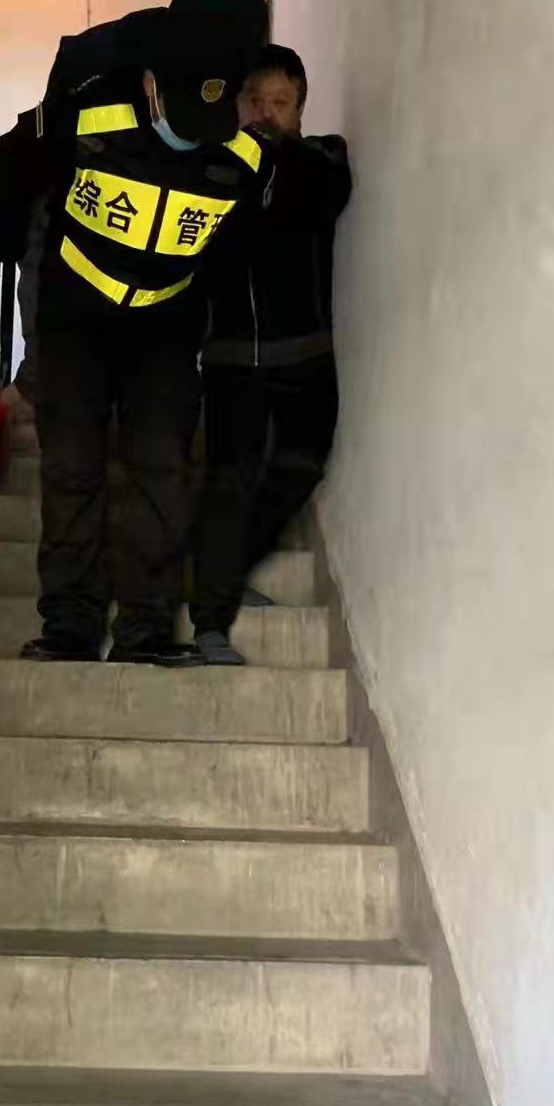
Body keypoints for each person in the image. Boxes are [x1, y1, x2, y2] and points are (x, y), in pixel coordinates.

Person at [0, 0, 273, 665]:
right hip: (74, 314)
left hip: (167, 325)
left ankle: (145, 631)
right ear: (150, 81)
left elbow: (232, 253)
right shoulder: (85, 107)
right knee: (74, 466)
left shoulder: (246, 156)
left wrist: (212, 328)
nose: (192, 133)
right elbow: (9, 177)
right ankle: (71, 626)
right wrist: (16, 252)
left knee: (161, 472)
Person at [191, 44, 351, 664]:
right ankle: (210, 621)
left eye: (279, 102)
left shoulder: (320, 160)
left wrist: (273, 150)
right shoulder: (215, 167)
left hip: (306, 355)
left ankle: (224, 571)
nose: (264, 112)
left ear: (299, 112)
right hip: (231, 358)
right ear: (236, 104)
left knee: (303, 466)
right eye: (254, 100)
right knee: (229, 480)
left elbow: (325, 191)